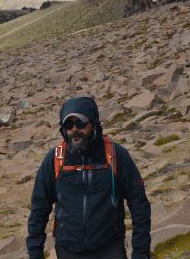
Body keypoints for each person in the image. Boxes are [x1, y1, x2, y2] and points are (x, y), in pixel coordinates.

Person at [27, 96, 151, 259]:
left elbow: (139, 205)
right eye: (68, 124)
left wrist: (140, 253)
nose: (74, 129)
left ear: (94, 123)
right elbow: (39, 208)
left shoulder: (115, 155)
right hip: (68, 251)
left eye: (80, 123)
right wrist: (35, 253)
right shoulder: (55, 159)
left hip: (109, 250)